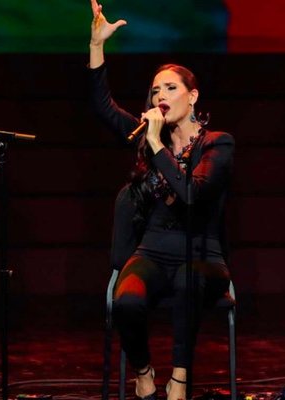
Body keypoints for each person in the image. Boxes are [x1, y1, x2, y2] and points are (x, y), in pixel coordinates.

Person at [88, 1, 234, 399]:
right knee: (128, 303)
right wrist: (96, 46)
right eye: (155, 90)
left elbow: (191, 195)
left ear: (193, 96)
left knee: (188, 284)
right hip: (152, 250)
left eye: (171, 88)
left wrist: (155, 145)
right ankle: (145, 370)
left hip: (203, 254)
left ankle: (180, 379)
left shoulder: (217, 144)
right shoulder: (146, 137)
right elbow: (102, 106)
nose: (161, 96)